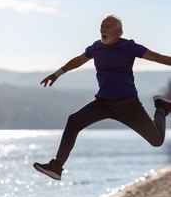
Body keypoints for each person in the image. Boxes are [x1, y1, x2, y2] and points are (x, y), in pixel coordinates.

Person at [33, 14, 171, 181]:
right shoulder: (96, 48)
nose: (103, 30)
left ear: (119, 32)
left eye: (108, 27)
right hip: (103, 103)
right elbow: (78, 60)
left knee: (156, 141)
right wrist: (57, 74)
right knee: (74, 120)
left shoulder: (129, 47)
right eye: (102, 26)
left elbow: (156, 57)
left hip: (128, 105)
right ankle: (56, 166)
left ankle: (161, 108)